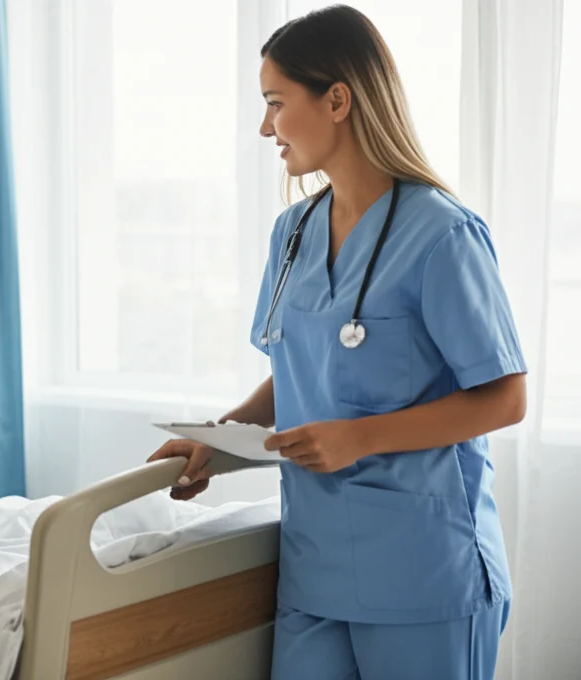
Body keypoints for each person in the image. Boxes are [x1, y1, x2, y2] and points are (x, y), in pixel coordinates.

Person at [148, 6, 526, 679]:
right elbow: (298, 367)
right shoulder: (292, 233)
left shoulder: (442, 235)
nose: (265, 127)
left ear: (338, 100)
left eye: (275, 103)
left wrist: (361, 438)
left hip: (423, 571)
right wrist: (222, 435)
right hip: (316, 568)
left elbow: (504, 399)